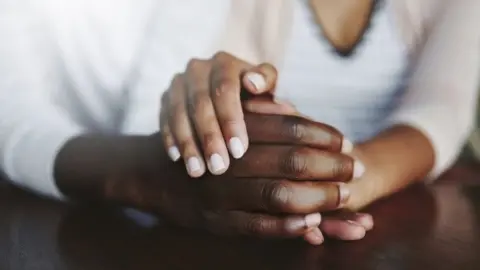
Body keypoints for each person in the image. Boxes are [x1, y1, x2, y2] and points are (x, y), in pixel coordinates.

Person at [0, 0, 478, 245]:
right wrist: (213, 105)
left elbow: (440, 108)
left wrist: (348, 178)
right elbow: (162, 114)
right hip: (252, 204)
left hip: (369, 204)